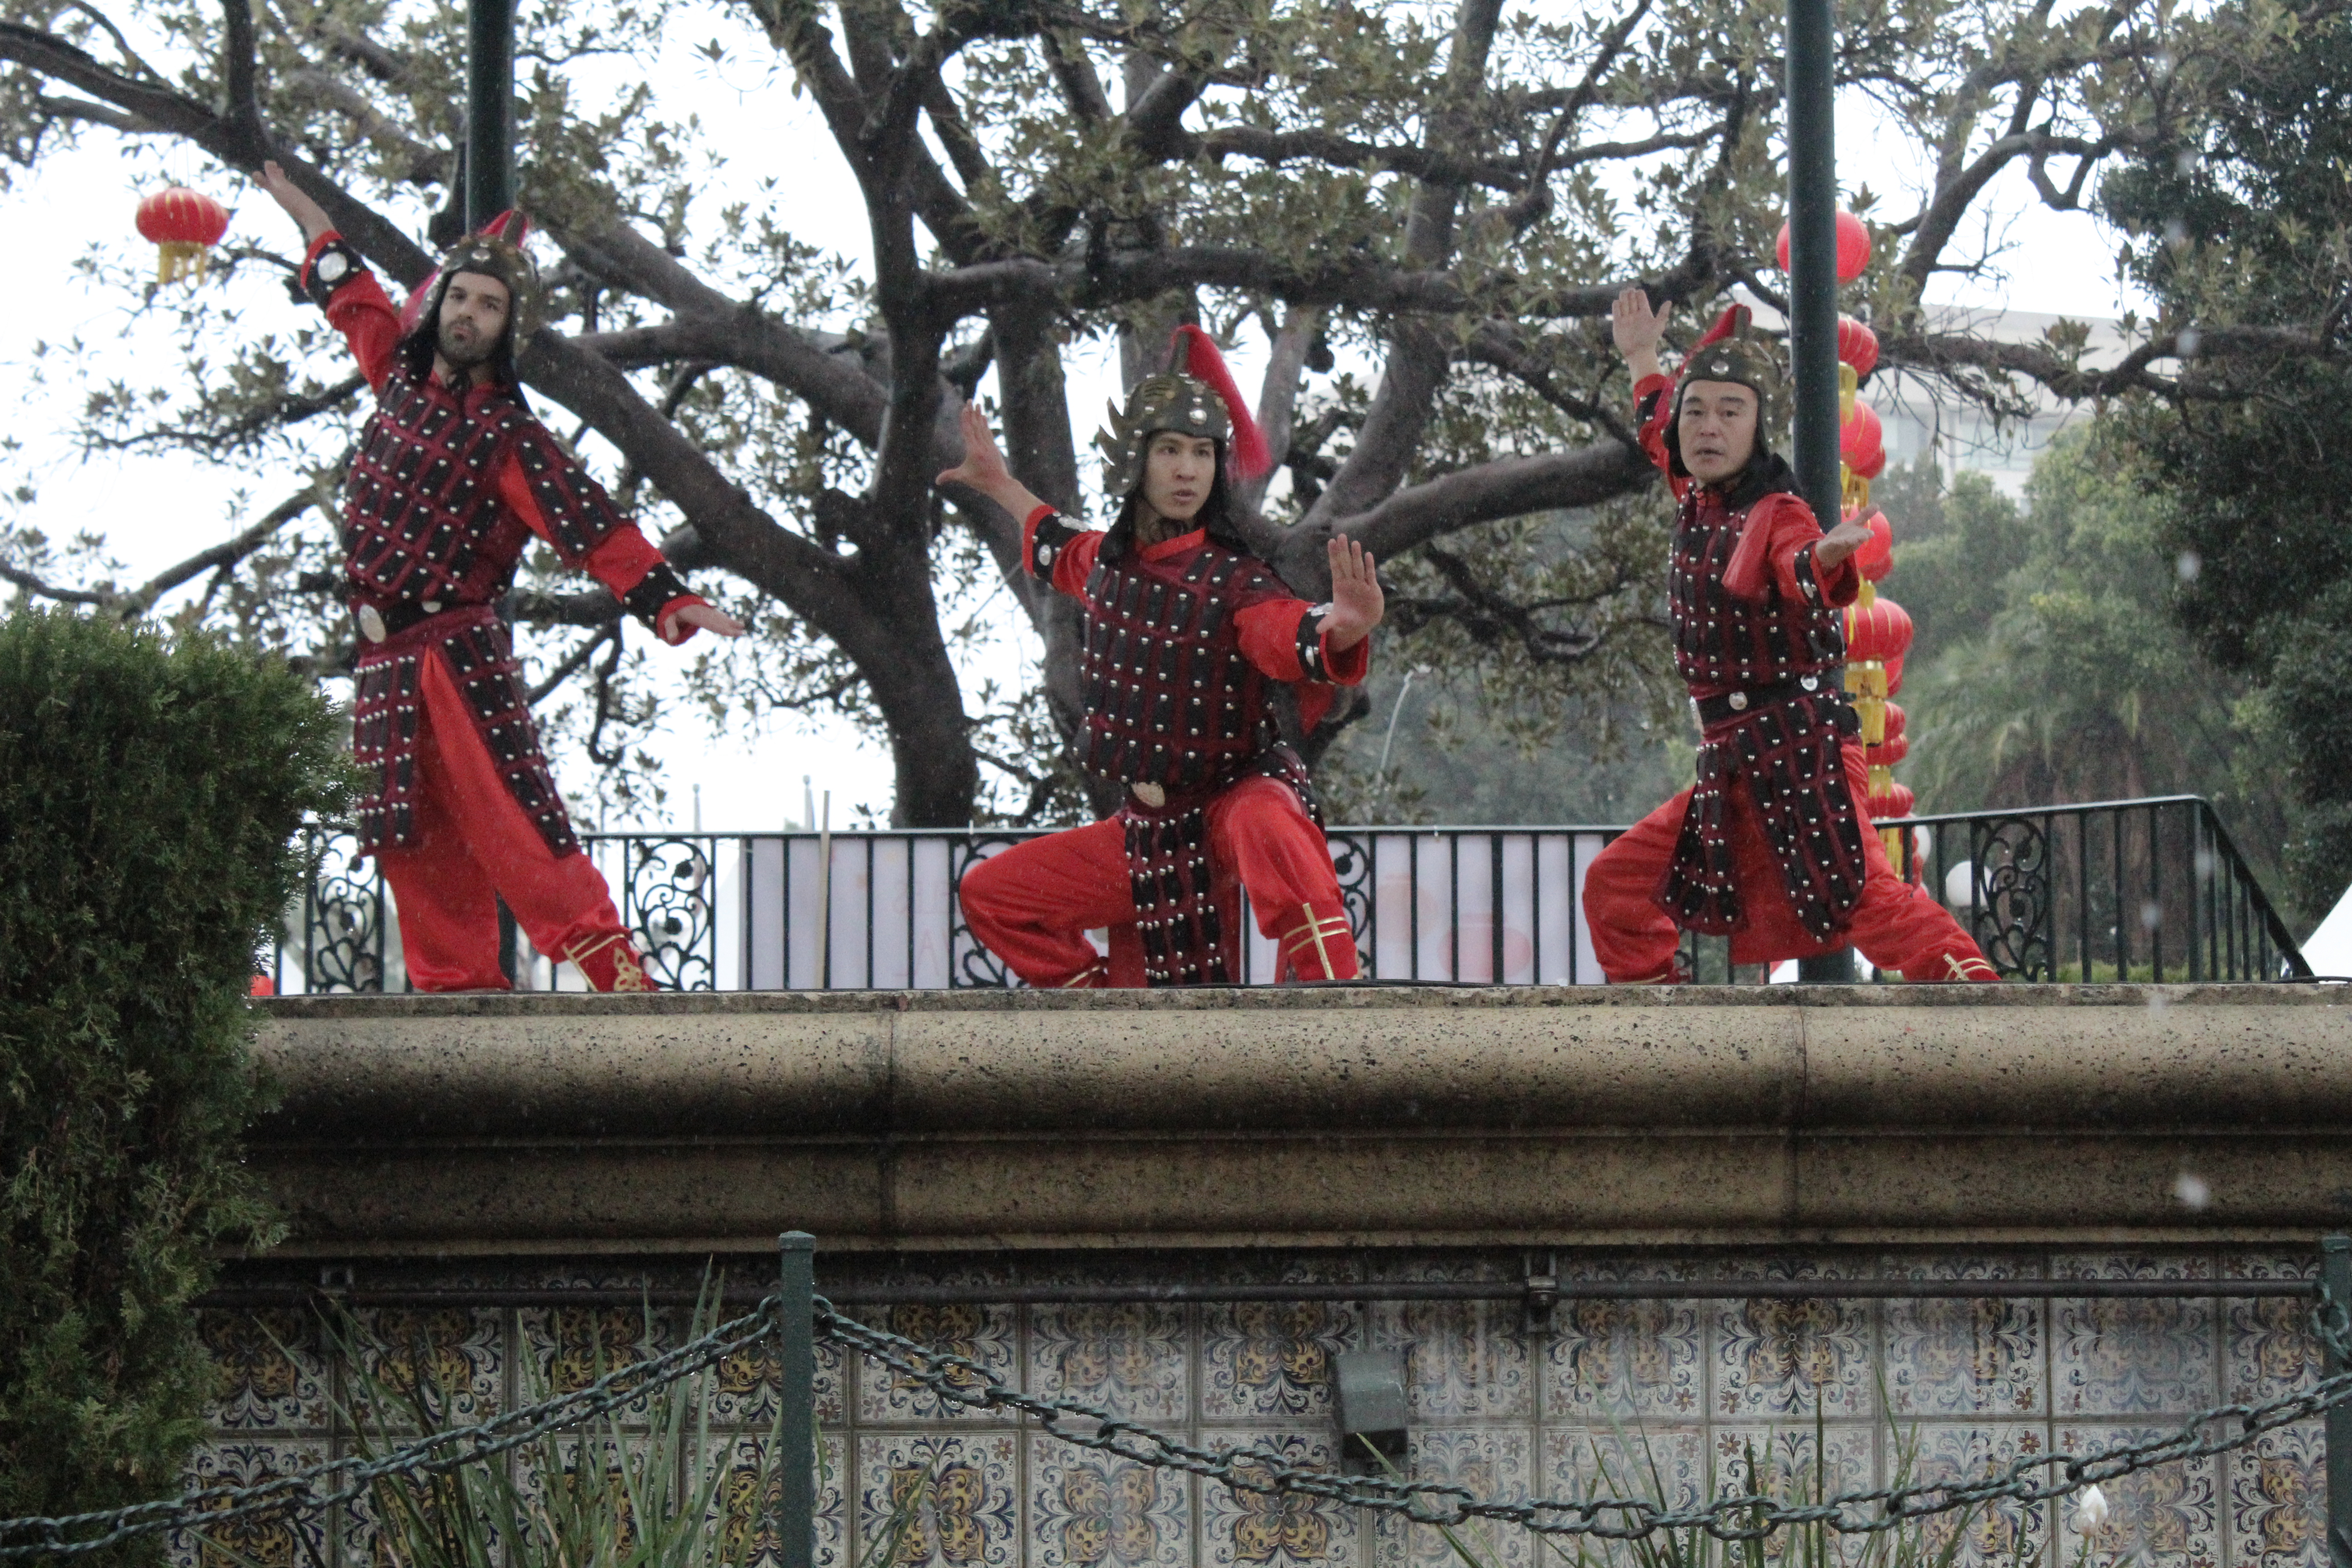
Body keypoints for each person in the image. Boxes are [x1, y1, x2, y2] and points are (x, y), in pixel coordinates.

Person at [254, 162, 745, 992]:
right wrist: (306, 213)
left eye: (489, 305)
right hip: (382, 661)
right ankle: (457, 996)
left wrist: (671, 598)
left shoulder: (508, 437)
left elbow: (590, 524)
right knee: (410, 837)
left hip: (455, 652)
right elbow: (355, 299)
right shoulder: (396, 387)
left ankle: (619, 979)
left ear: (507, 327)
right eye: (460, 299)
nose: (470, 315)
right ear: (437, 308)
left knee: (514, 821)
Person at [939, 327, 1382, 986]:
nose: (1186, 469)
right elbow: (1055, 537)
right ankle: (1097, 1013)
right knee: (992, 895)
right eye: (1170, 450)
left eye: (1202, 453)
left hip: (1235, 801)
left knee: (1273, 828)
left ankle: (1335, 1009)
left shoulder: (1238, 583)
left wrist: (1342, 628)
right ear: (1137, 461)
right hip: (1148, 830)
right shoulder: (1106, 567)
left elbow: (1286, 631)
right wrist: (1000, 484)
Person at [1582, 288, 1996, 983]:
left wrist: (1826, 563)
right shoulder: (1694, 494)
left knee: (1872, 904)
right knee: (1616, 888)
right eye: (1698, 412)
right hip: (1735, 763)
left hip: (1803, 753)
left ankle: (2003, 1038)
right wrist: (1643, 358)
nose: (1707, 428)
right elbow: (1658, 424)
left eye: (1730, 412)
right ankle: (1672, 1051)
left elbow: (1800, 566)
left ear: (1758, 432)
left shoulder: (1779, 512)